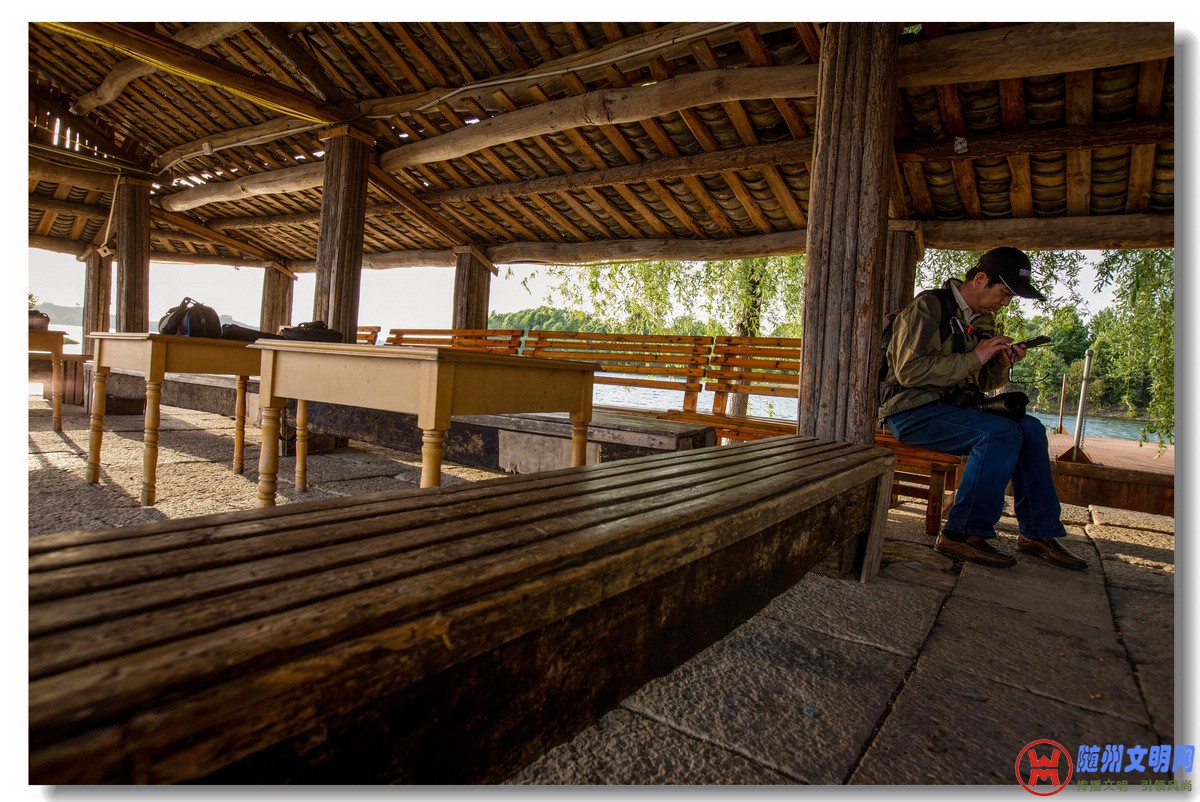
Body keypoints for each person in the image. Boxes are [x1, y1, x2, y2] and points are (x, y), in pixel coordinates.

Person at [878, 246, 1086, 570]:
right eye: (1005, 293)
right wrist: (976, 356)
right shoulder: (929, 306)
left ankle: (1037, 532)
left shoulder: (983, 321)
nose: (1006, 302)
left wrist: (1000, 362)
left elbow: (982, 381)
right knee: (1000, 434)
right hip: (910, 411)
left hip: (954, 409)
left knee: (1031, 429)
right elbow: (909, 371)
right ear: (980, 280)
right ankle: (960, 534)